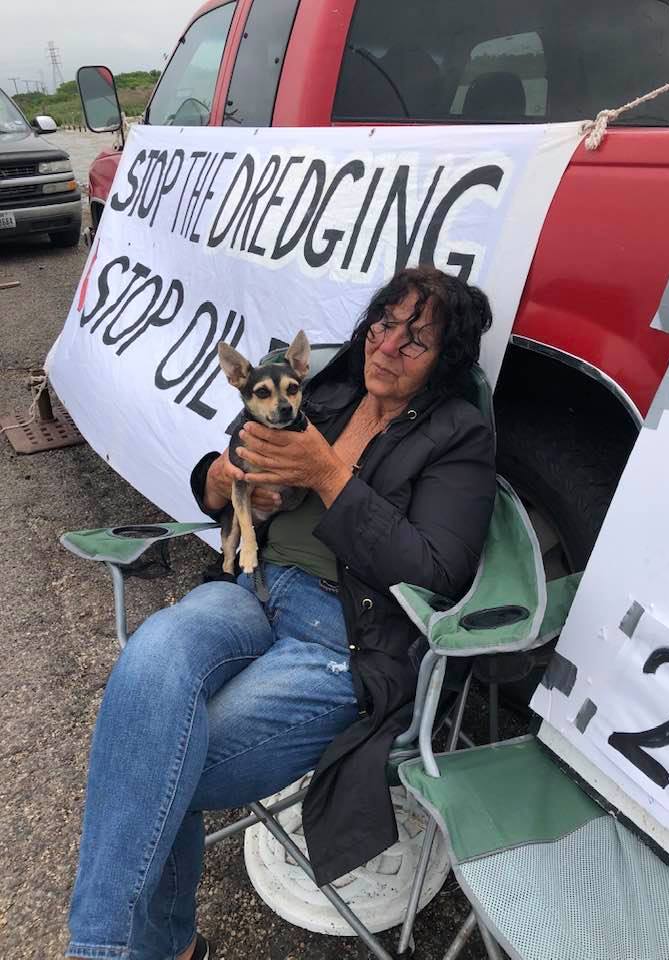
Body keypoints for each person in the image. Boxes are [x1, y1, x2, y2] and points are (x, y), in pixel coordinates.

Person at [67, 266, 496, 960]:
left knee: (154, 759)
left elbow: (437, 571)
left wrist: (327, 475)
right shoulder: (323, 392)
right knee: (152, 656)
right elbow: (228, 470)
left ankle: (134, 950)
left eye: (414, 341)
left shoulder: (458, 436)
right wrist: (217, 478)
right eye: (384, 324)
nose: (387, 347)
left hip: (342, 636)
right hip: (249, 591)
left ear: (443, 361)